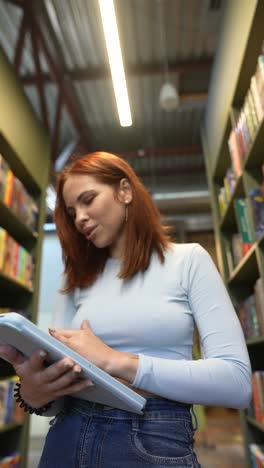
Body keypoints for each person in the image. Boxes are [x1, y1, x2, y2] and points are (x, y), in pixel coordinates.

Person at [0, 151, 252, 468]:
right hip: (67, 436)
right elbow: (56, 400)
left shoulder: (188, 260)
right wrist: (36, 392)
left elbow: (237, 383)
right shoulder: (74, 277)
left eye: (88, 200)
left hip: (152, 436)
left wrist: (113, 360)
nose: (79, 218)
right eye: (71, 211)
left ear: (125, 191)